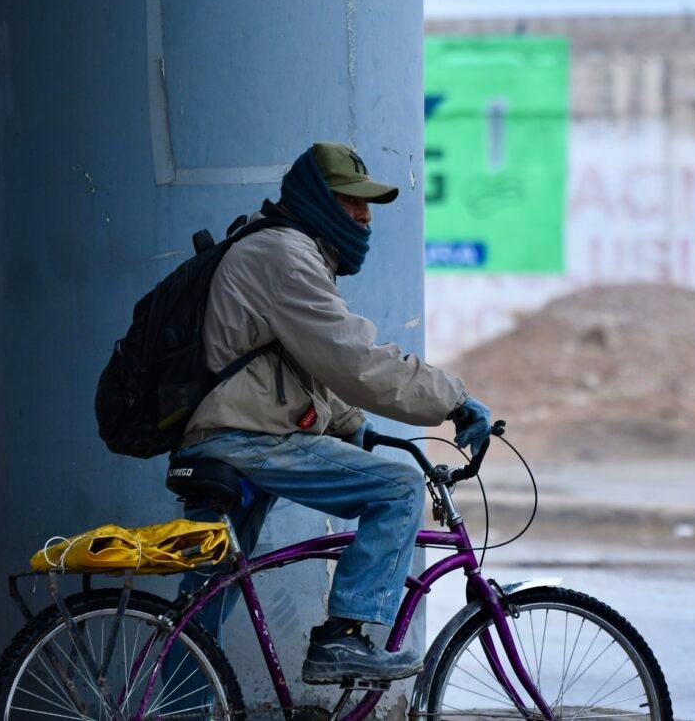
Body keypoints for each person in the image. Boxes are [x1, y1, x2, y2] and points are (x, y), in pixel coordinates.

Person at [171, 142, 492, 685]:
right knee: (398, 488)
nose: (366, 217)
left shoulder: (277, 249)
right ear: (317, 200)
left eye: (367, 205)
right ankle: (342, 636)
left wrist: (351, 426)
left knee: (204, 604)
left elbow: (300, 364)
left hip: (222, 436)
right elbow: (354, 361)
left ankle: (178, 709)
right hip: (247, 440)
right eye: (352, 201)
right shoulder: (285, 257)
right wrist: (452, 400)